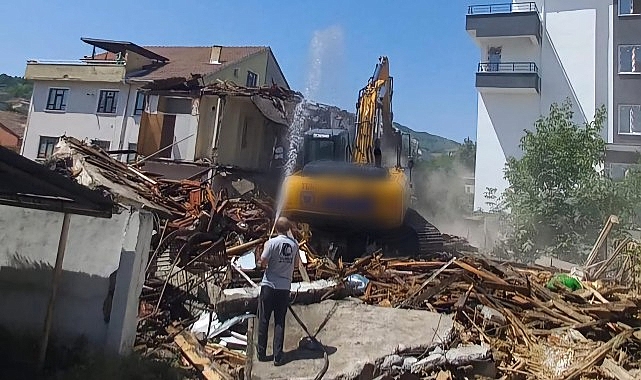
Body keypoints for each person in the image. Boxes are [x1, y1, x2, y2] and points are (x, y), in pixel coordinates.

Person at [256, 216, 299, 366]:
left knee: (264, 319)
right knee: (280, 321)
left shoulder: (271, 243)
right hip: (284, 288)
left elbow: (263, 262)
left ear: (276, 228)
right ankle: (278, 356)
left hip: (268, 286)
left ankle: (261, 353)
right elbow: (295, 266)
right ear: (288, 229)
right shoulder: (294, 245)